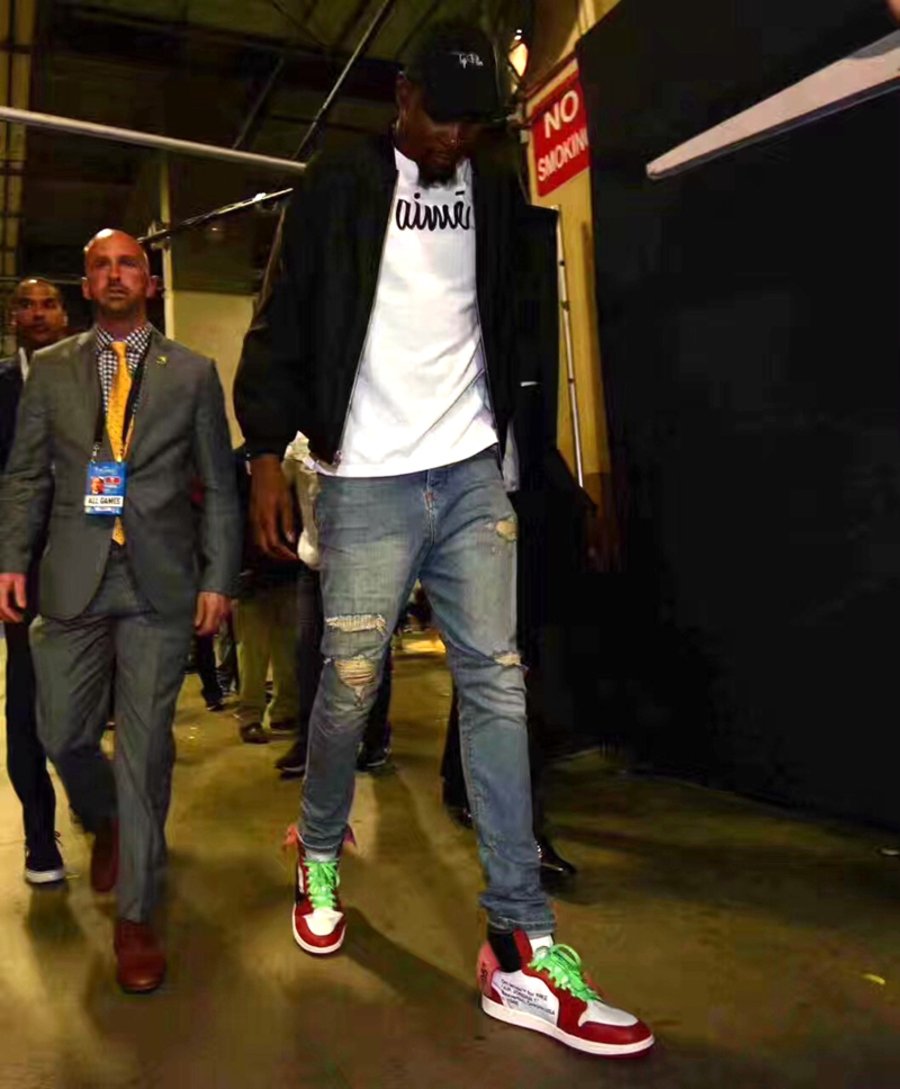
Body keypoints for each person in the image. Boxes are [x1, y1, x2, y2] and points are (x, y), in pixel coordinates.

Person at [235, 21, 653, 1057]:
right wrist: (264, 455)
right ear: (403, 95)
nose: (454, 139)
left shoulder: (495, 189)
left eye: (473, 125)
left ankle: (518, 945)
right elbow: (281, 319)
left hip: (470, 472)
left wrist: (528, 455)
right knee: (349, 687)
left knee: (498, 684)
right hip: (366, 480)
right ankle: (319, 849)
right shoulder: (338, 184)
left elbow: (515, 326)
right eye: (442, 119)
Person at [0, 229, 239, 994]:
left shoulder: (192, 373)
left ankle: (136, 914)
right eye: (100, 265)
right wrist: (11, 558)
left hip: (158, 585)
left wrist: (219, 576)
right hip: (71, 576)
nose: (114, 275)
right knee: (60, 731)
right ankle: (104, 816)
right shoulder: (53, 371)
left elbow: (218, 482)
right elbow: (25, 474)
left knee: (144, 751)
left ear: (150, 282)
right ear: (86, 283)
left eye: (128, 263)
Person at [0, 278, 69, 885]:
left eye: (48, 304)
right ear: (13, 318)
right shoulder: (2, 387)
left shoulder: (97, 381)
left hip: (90, 566)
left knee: (89, 705)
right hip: (18, 575)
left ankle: (105, 814)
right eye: (26, 305)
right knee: (23, 704)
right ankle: (40, 838)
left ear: (65, 315)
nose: (38, 313)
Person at [275, 433, 393, 778]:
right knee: (307, 653)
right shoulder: (297, 443)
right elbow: (273, 476)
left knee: (370, 653)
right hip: (315, 563)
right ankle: (308, 742)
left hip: (364, 566)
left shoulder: (366, 432)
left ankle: (374, 737)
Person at [232, 444, 300, 744]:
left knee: (288, 648)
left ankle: (285, 710)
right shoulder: (238, 462)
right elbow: (232, 517)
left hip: (288, 566)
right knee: (252, 651)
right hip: (252, 571)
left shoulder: (292, 455)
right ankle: (250, 716)